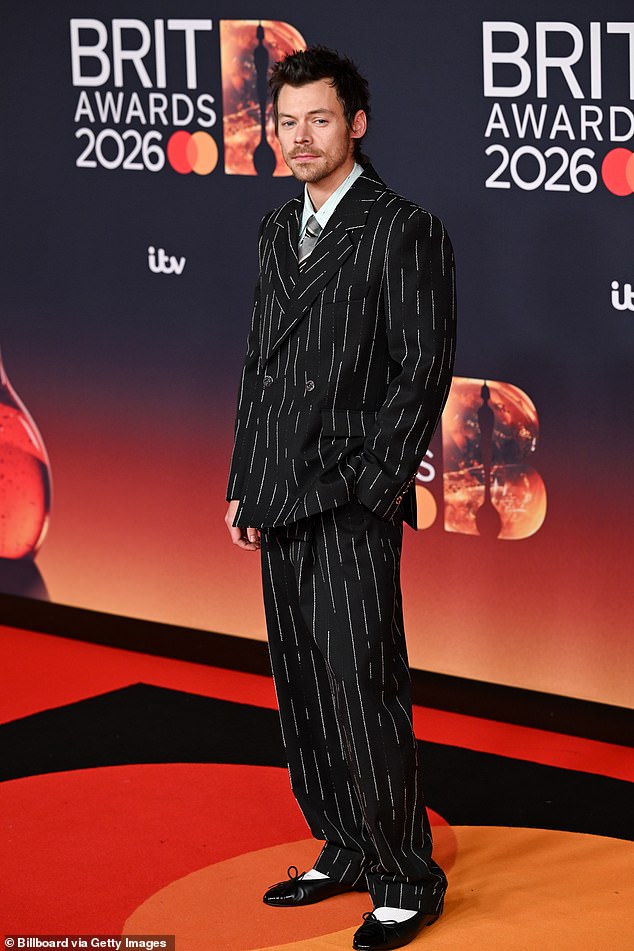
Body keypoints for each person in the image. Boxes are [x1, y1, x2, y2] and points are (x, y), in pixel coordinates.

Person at [225, 46, 456, 951]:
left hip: (350, 498)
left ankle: (406, 874)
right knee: (304, 686)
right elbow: (261, 363)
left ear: (355, 124)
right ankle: (348, 843)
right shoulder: (276, 229)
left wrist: (373, 487)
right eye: (286, 122)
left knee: (364, 687)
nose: (298, 137)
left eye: (317, 120)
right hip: (279, 489)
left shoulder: (403, 228)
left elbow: (423, 369)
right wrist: (244, 479)